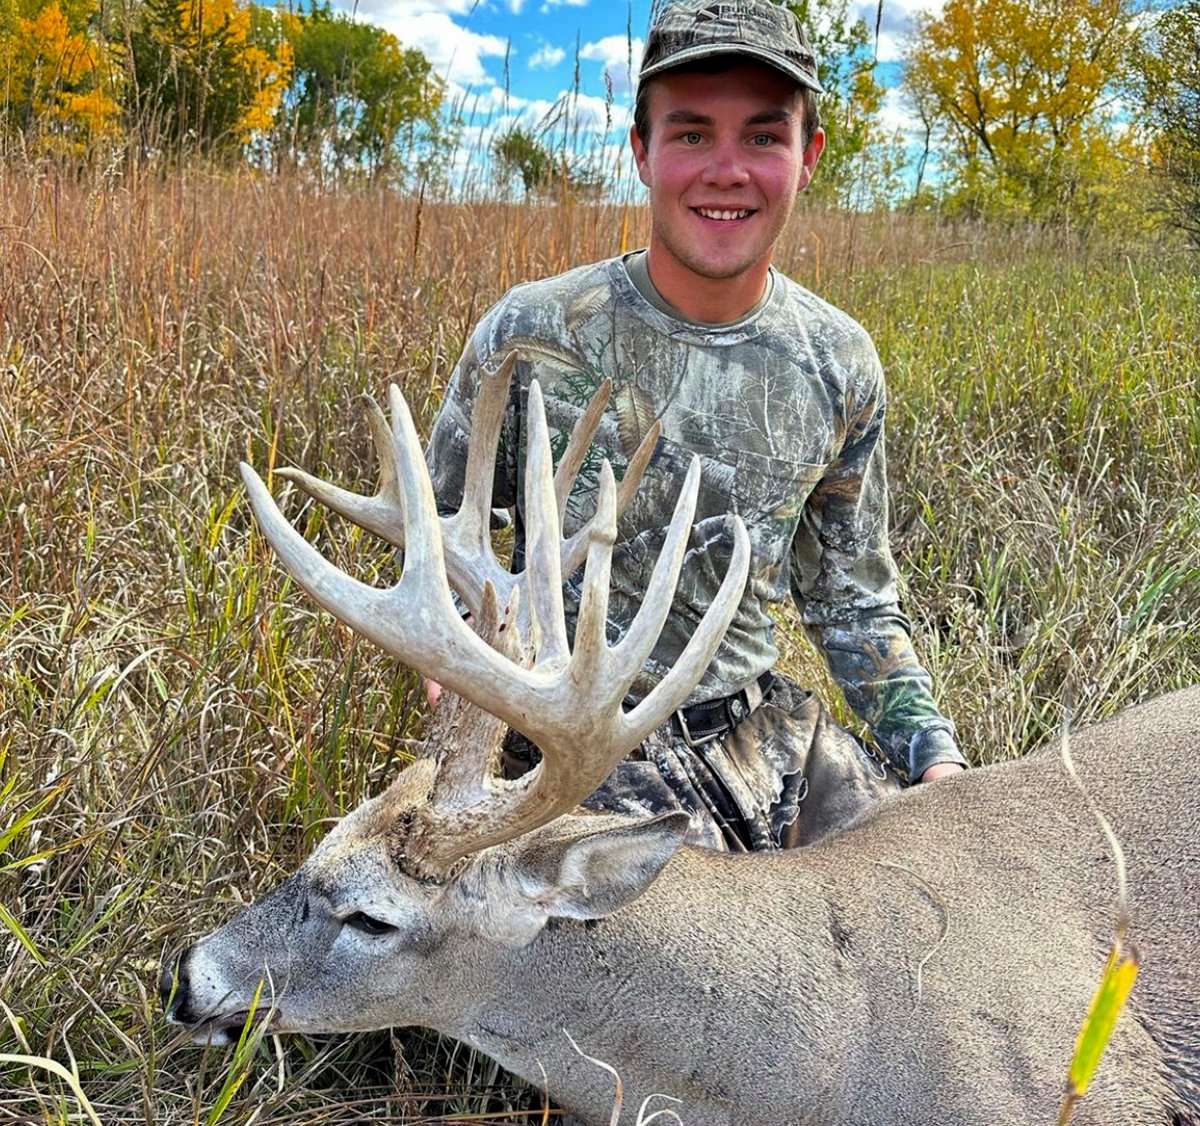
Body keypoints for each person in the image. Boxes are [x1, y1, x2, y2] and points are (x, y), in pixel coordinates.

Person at [424, 0, 966, 852]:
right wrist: (460, 651)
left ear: (807, 156)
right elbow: (445, 533)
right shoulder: (531, 333)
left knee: (941, 888)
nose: (726, 170)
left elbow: (853, 602)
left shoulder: (839, 362)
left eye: (762, 136)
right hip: (571, 752)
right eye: (689, 134)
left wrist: (936, 761)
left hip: (768, 741)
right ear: (640, 150)